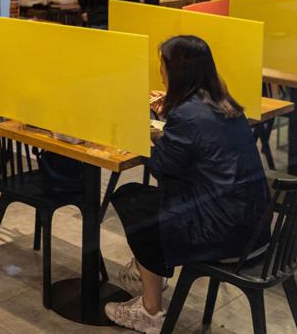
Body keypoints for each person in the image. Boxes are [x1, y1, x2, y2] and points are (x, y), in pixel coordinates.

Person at [105, 36, 271, 333]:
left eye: (162, 65)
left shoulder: (188, 114)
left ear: (177, 71)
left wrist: (138, 134)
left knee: (133, 200)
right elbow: (193, 146)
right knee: (141, 199)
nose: (160, 71)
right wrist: (165, 118)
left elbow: (161, 167)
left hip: (224, 232)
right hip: (253, 226)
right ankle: (153, 271)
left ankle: (150, 310)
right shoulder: (223, 101)